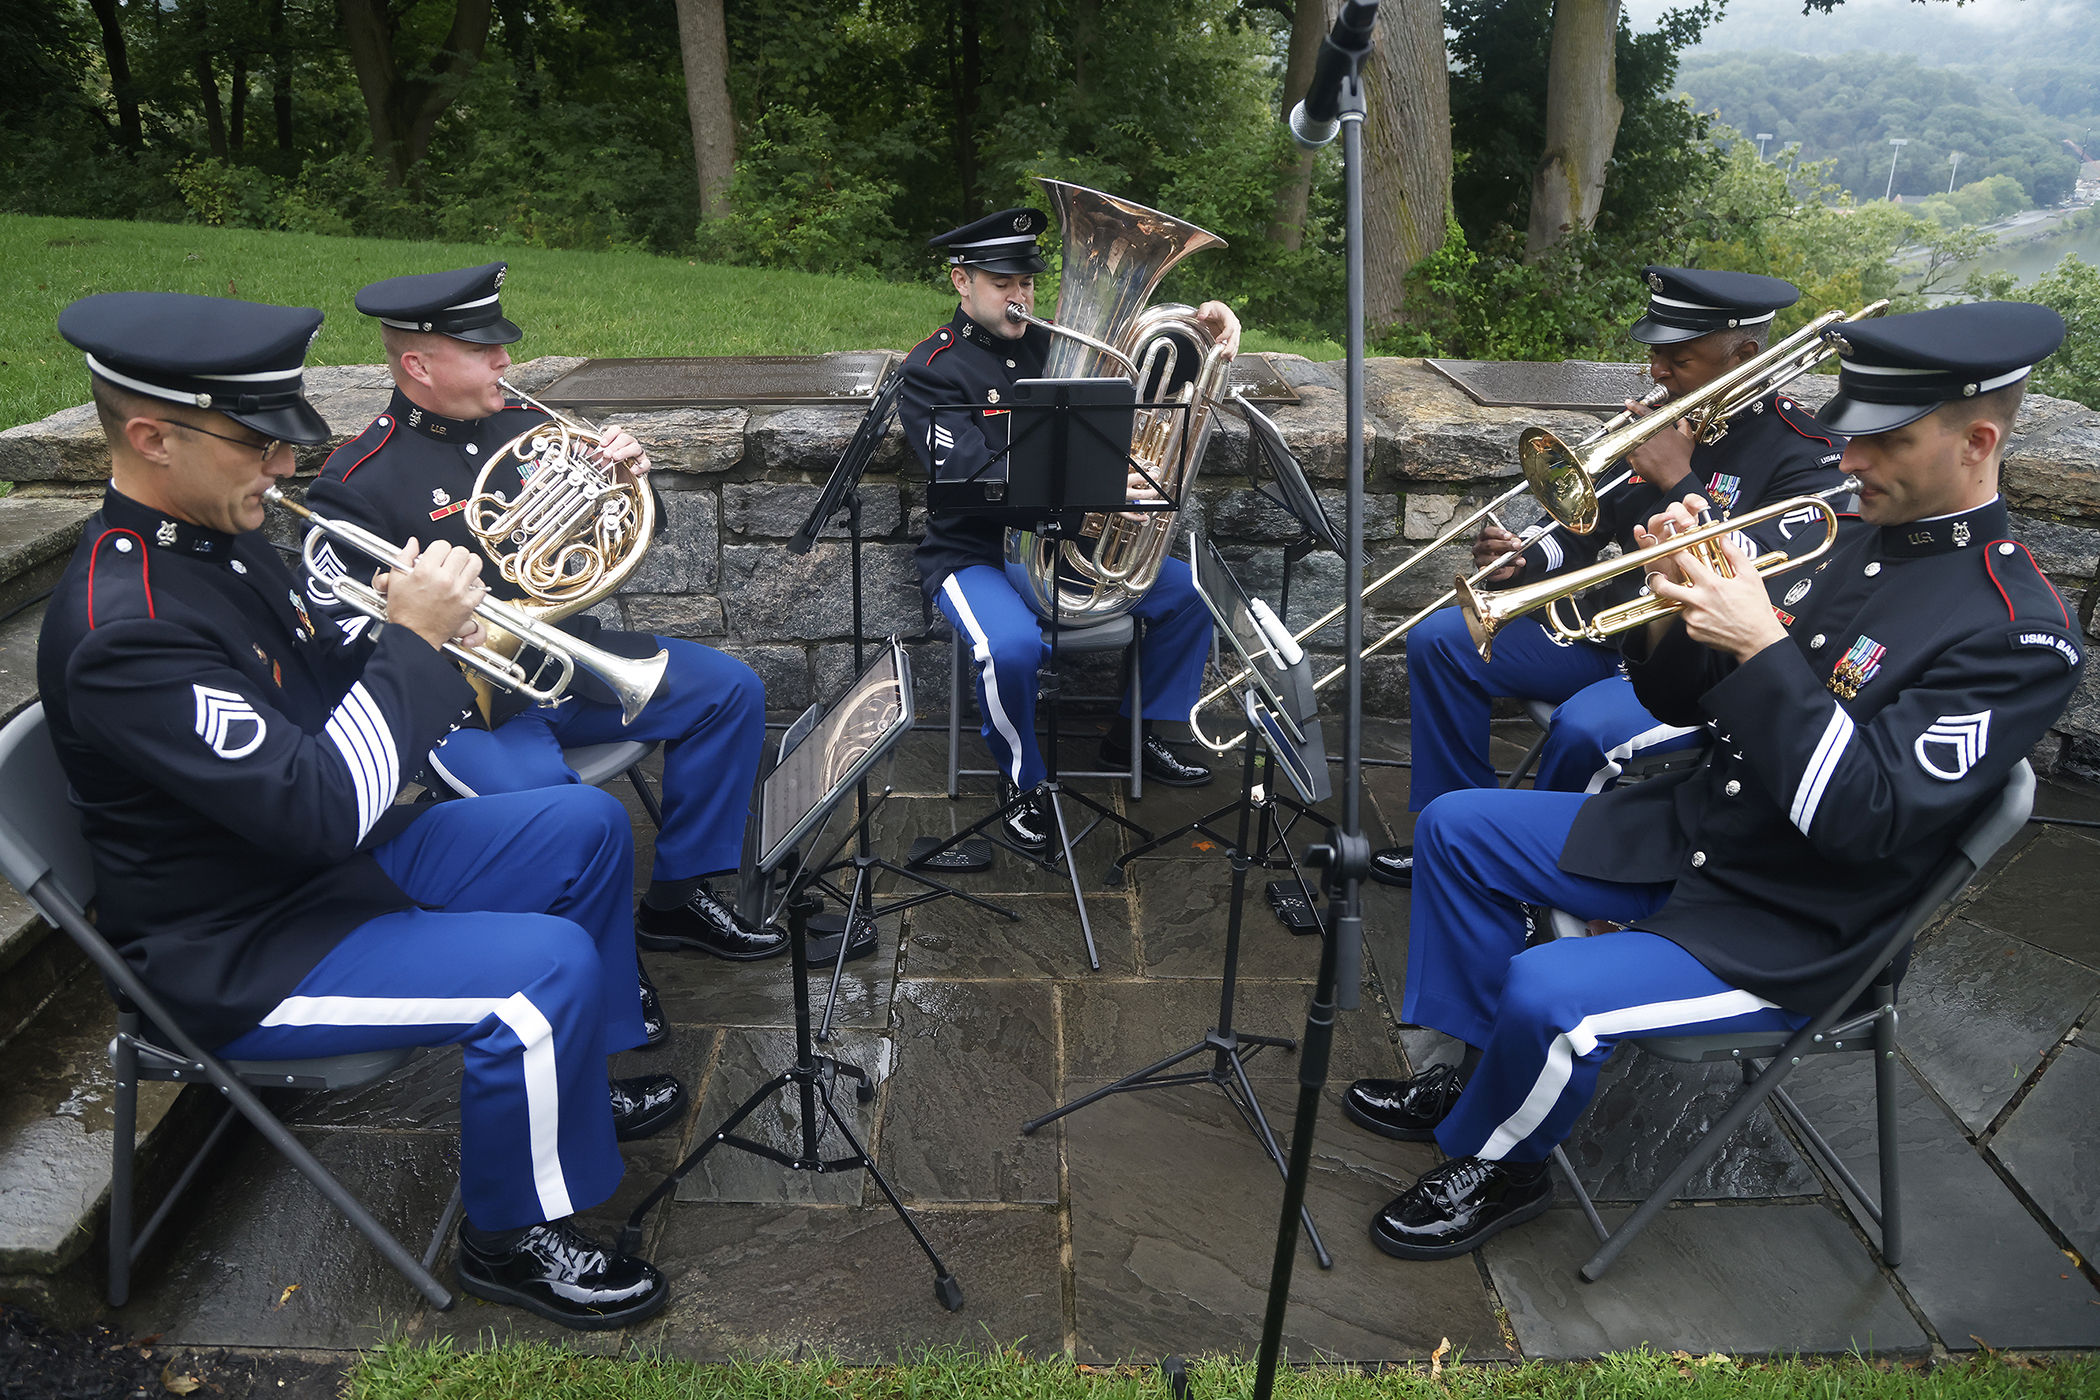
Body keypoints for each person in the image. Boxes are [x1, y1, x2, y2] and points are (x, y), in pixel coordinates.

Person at [1343, 301, 2078, 1259]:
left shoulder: (2017, 631)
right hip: (1701, 832)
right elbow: (1685, 701)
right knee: (1455, 828)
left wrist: (1760, 638)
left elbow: (1864, 818)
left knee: (1548, 987)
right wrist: (1671, 600)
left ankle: (1500, 1161)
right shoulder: (1850, 532)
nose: (1847, 463)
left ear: (1978, 440)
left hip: (1790, 922)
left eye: (1883, 444)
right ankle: (1481, 1075)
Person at [39, 292, 684, 1327]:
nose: (286, 467)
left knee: (585, 825)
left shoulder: (221, 534)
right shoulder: (130, 627)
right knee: (539, 970)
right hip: (245, 946)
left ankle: (573, 1086)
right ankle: (509, 1238)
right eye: (257, 443)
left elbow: (319, 682)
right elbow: (319, 806)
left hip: (319, 876)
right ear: (153, 438)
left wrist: (402, 620)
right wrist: (417, 644)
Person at [302, 264, 828, 978]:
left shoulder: (533, 429)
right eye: (483, 351)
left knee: (730, 691)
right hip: (465, 711)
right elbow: (345, 642)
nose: (505, 361)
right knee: (567, 821)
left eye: (502, 346)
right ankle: (599, 975)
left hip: (569, 663)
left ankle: (675, 902)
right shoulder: (358, 480)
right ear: (418, 364)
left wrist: (628, 481)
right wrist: (422, 624)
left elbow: (632, 533)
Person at [1369, 268, 1852, 888]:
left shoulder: (1805, 455)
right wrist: (1528, 558)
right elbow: (1589, 530)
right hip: (1613, 640)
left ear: (1746, 355)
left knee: (1583, 731)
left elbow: (1765, 578)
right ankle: (1452, 829)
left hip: (1700, 672)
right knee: (1441, 641)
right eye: (1654, 352)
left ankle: (1536, 874)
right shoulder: (1666, 421)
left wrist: (1680, 480)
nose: (1656, 370)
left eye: (1677, 357)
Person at [899, 208, 1231, 848]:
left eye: (1025, 282)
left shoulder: (1060, 348)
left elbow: (1160, 382)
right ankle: (1022, 781)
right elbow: (970, 481)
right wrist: (1094, 503)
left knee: (1190, 595)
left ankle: (1132, 734)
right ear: (960, 281)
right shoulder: (932, 370)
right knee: (1010, 650)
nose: (1020, 296)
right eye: (1002, 283)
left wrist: (1206, 334)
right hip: (975, 555)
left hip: (1069, 552)